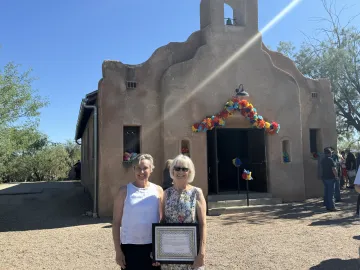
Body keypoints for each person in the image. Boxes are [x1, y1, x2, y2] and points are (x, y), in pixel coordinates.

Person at [112, 154, 163, 270]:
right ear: (134, 169)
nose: (141, 171)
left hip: (152, 247)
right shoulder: (124, 191)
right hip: (129, 247)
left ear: (151, 169)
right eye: (138, 168)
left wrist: (160, 250)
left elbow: (162, 220)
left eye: (145, 168)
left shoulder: (158, 191)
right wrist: (118, 251)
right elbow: (116, 223)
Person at [160, 154, 207, 270]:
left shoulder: (197, 193)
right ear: (172, 171)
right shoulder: (166, 194)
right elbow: (162, 222)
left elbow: (203, 224)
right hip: (170, 254)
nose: (180, 172)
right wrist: (157, 252)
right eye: (177, 168)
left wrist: (202, 252)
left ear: (189, 172)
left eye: (184, 169)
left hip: (191, 253)